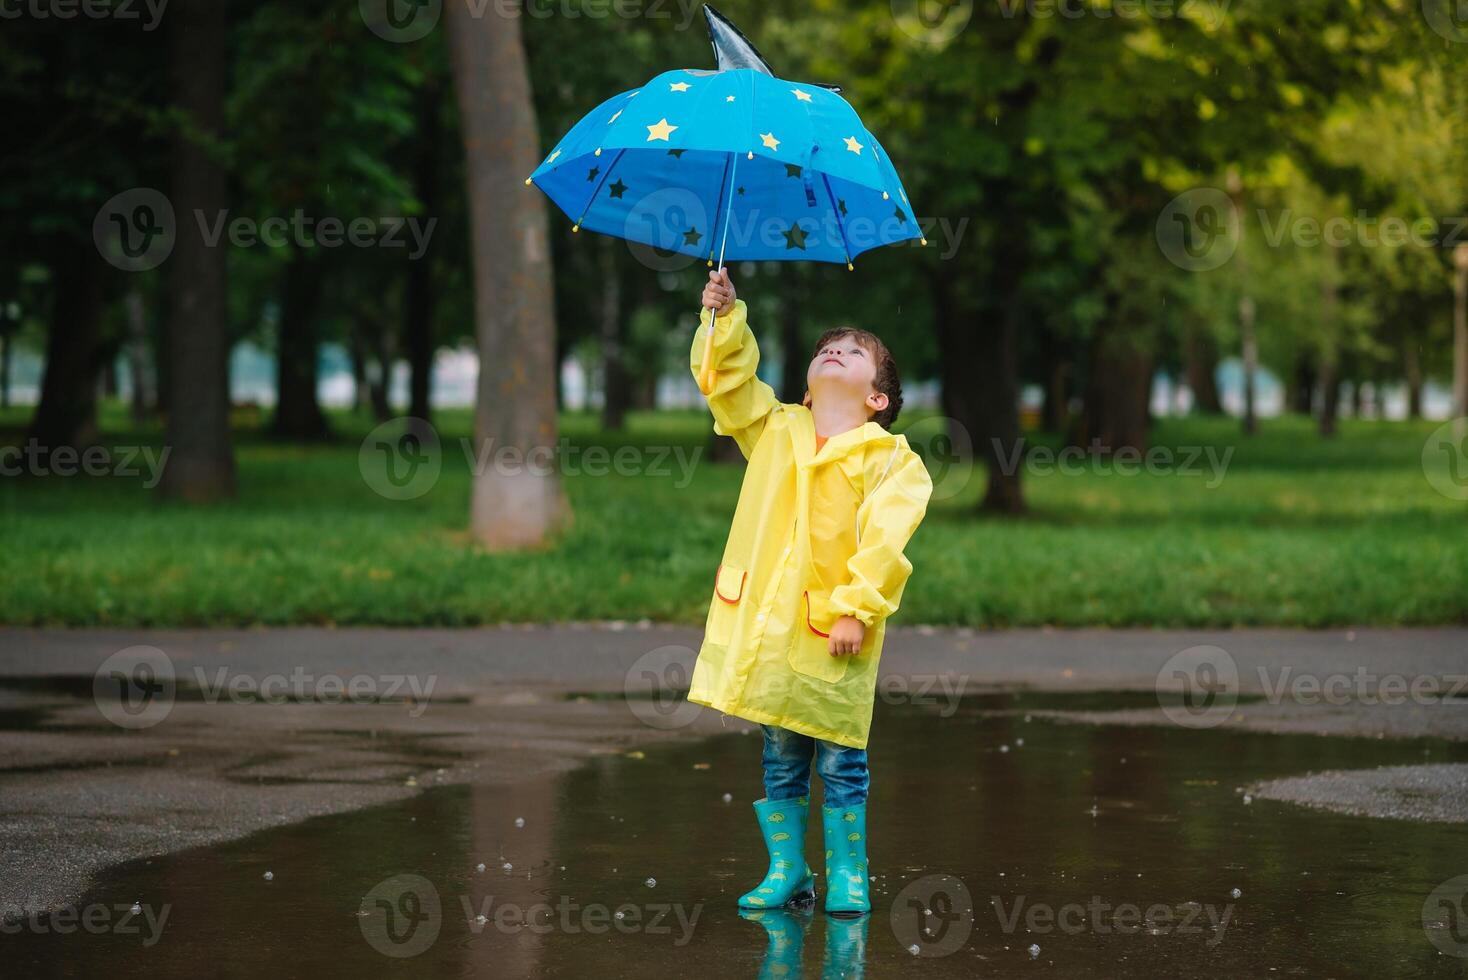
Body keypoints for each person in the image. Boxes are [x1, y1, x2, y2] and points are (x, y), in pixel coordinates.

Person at [687, 268, 933, 916]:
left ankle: (848, 871)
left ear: (878, 397)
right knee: (781, 754)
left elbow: (885, 541)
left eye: (854, 352)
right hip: (771, 629)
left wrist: (855, 608)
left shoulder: (890, 460)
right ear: (805, 385)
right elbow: (726, 385)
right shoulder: (775, 430)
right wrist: (723, 318)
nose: (835, 351)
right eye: (828, 348)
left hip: (834, 631)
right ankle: (788, 868)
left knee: (842, 758)